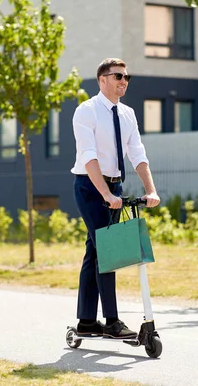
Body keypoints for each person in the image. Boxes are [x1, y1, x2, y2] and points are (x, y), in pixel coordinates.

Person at [70, 58, 161, 339]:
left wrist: (151, 190)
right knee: (108, 251)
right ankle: (111, 321)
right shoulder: (87, 111)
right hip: (90, 187)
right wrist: (105, 193)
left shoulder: (128, 114)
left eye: (127, 77)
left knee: (95, 251)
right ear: (102, 80)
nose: (124, 81)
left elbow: (137, 153)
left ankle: (86, 321)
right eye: (118, 76)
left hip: (115, 189)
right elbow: (88, 156)